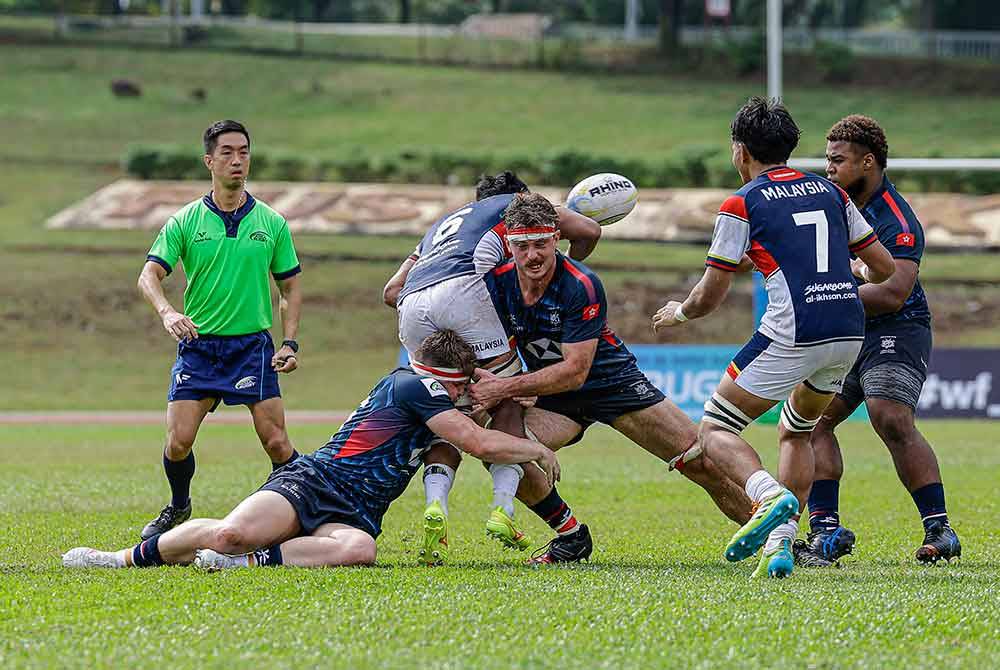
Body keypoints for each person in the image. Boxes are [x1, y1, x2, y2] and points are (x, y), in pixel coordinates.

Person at [62, 330, 560, 570]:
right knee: (231, 532)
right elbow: (474, 441)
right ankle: (119, 558)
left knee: (361, 550)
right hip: (314, 481)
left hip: (357, 511)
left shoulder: (435, 401)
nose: (467, 395)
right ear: (444, 378)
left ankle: (246, 566)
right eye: (462, 386)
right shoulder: (414, 384)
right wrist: (534, 450)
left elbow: (463, 431)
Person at [652, 97, 895, 578]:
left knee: (715, 430)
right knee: (797, 430)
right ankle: (781, 545)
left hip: (794, 332)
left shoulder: (741, 203)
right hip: (848, 330)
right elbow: (884, 269)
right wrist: (845, 272)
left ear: (740, 151)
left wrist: (678, 314)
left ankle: (769, 496)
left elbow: (709, 295)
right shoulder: (832, 193)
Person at [471, 192, 755, 563]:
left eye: (540, 243)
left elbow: (576, 370)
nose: (532, 255)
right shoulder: (495, 284)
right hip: (552, 396)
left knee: (701, 463)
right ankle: (571, 536)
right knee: (501, 451)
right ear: (508, 245)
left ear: (557, 238)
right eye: (521, 246)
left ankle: (776, 537)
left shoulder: (580, 284)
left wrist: (508, 385)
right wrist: (513, 381)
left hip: (612, 384)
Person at [382, 171, 602, 563]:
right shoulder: (521, 209)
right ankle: (503, 508)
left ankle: (436, 506)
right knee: (509, 396)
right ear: (521, 197)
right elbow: (588, 230)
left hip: (412, 304)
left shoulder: (443, 225)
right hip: (462, 289)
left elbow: (390, 292)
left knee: (445, 409)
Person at [795, 115, 960, 566]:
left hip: (897, 327)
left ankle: (940, 529)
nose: (828, 169)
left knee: (889, 417)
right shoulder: (829, 204)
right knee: (812, 421)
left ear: (868, 162)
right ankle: (825, 532)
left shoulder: (897, 220)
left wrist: (828, 295)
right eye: (827, 160)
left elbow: (892, 293)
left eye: (837, 161)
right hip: (847, 327)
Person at [136, 120, 303, 540]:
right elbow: (148, 276)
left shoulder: (271, 222)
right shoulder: (185, 221)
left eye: (244, 152)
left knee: (278, 444)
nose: (237, 160)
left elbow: (290, 287)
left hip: (251, 347)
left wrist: (290, 342)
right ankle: (178, 506)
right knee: (178, 442)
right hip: (200, 347)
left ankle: (304, 507)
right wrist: (167, 312)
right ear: (209, 161)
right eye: (227, 152)